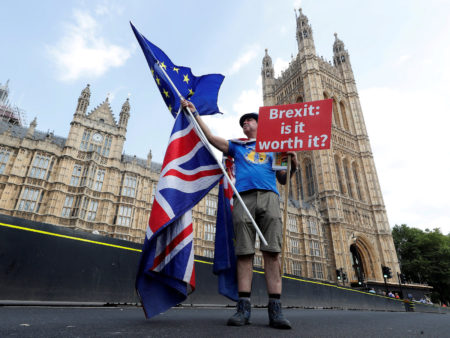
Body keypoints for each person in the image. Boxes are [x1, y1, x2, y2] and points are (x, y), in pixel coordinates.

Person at [181, 100, 298, 329]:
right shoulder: (238, 146)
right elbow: (213, 140)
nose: (245, 123)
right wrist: (195, 114)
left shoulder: (276, 146)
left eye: (249, 120)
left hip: (269, 197)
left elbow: (284, 179)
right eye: (243, 122)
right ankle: (243, 309)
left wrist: (292, 162)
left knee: (272, 253)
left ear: (260, 124)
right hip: (243, 198)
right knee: (244, 253)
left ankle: (276, 311)